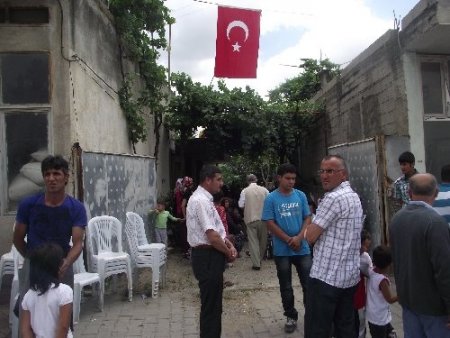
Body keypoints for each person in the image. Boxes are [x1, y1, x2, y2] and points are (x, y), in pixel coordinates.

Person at [13, 155, 87, 328]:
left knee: (62, 313)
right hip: (34, 265)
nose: (51, 179)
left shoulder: (75, 207)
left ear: (66, 177)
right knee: (26, 309)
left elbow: (77, 243)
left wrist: (66, 263)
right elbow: (17, 238)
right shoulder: (28, 204)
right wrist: (32, 258)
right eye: (47, 174)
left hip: (62, 264)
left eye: (56, 174)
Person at [305, 154, 364, 338]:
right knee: (345, 328)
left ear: (343, 174)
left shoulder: (333, 198)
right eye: (322, 171)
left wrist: (308, 226)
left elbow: (310, 236)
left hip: (326, 278)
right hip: (348, 278)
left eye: (330, 171)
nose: (324, 176)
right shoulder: (353, 196)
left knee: (317, 330)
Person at [389, 173, 450, 337]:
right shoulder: (435, 223)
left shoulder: (397, 219)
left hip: (409, 302)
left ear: (409, 193)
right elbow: (444, 270)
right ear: (436, 193)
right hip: (434, 308)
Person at [186, 165, 237, 338]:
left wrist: (229, 245)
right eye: (219, 179)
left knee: (214, 305)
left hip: (211, 255)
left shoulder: (205, 199)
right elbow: (212, 236)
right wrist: (228, 253)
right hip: (207, 257)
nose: (221, 183)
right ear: (208, 180)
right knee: (211, 307)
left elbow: (218, 231)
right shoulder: (200, 200)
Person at [262, 163, 312, 334]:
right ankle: (291, 316)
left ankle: (311, 315)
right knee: (286, 286)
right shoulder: (271, 198)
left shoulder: (300, 196)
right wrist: (288, 239)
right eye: (288, 178)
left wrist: (299, 238)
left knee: (308, 284)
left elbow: (307, 218)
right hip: (282, 251)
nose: (291, 182)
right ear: (279, 178)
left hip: (302, 248)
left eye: (293, 178)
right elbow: (269, 222)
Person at [21, 242, 73, 338]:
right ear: (57, 267)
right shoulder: (64, 291)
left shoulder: (28, 295)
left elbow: (25, 329)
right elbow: (63, 327)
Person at [238, 174, 269, 270]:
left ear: (247, 181)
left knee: (253, 241)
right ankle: (259, 259)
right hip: (263, 219)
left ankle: (256, 264)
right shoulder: (265, 190)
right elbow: (270, 202)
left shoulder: (244, 191)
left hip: (250, 219)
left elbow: (240, 205)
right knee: (263, 241)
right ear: (256, 180)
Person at [366, 245, 398, 338]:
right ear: (387, 265)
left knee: (391, 333)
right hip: (380, 319)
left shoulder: (371, 271)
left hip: (373, 316)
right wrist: (402, 294)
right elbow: (390, 299)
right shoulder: (382, 280)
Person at [354, 229, 373, 338]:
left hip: (360, 297)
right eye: (364, 246)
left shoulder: (365, 258)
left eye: (367, 246)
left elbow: (370, 274)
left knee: (361, 321)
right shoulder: (349, 255)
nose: (366, 249)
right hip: (348, 297)